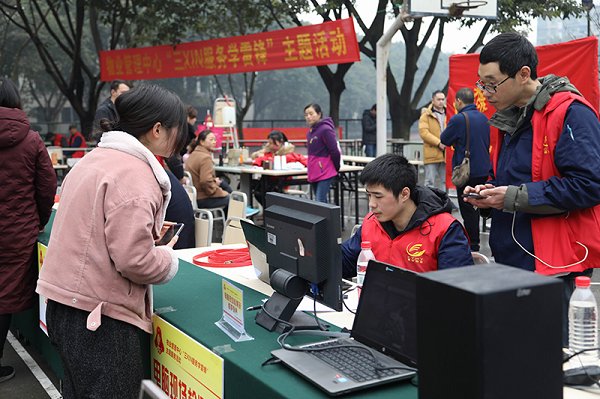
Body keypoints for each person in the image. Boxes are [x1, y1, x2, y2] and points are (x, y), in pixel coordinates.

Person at [36, 84, 187, 398]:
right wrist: (167, 259)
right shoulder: (135, 175)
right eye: (176, 129)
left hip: (64, 307)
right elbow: (135, 261)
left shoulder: (94, 160)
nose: (179, 138)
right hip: (100, 321)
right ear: (157, 129)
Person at [463, 32, 600, 346]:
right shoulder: (513, 119)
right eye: (481, 82)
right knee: (517, 356)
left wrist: (512, 197)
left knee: (552, 362)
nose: (485, 91)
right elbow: (522, 179)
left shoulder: (570, 113)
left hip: (552, 265)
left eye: (492, 82)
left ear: (524, 74)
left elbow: (590, 185)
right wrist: (492, 194)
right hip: (513, 258)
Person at [0, 77, 57, 383]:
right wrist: (38, 220)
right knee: (4, 296)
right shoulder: (32, 139)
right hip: (16, 234)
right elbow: (47, 187)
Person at [342, 154, 473, 279]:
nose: (371, 204)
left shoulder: (446, 230)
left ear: (404, 194)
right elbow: (345, 261)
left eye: (378, 196)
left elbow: (457, 291)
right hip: (378, 299)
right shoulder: (371, 222)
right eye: (369, 195)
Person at [440, 88, 491, 252]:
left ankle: (473, 245)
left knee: (468, 208)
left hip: (467, 171)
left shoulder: (459, 119)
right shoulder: (484, 118)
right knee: (481, 203)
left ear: (459, 101)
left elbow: (445, 139)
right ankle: (481, 236)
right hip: (484, 169)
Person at [251, 130, 307, 206]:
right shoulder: (269, 152)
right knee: (257, 189)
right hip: (270, 181)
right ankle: (269, 211)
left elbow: (303, 161)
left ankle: (270, 211)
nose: (269, 145)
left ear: (279, 142)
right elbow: (257, 162)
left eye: (271, 143)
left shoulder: (288, 154)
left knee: (261, 191)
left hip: (281, 182)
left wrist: (262, 158)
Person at [185, 129, 232, 212]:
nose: (214, 142)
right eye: (211, 140)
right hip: (203, 198)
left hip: (193, 197)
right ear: (202, 142)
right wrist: (217, 191)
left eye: (214, 139)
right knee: (233, 199)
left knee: (224, 186)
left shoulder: (193, 154)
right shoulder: (205, 157)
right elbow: (205, 181)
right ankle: (230, 223)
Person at [304, 103, 341, 203]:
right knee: (321, 201)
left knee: (319, 200)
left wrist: (336, 167)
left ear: (319, 114)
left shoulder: (325, 129)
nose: (308, 117)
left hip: (325, 170)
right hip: (314, 170)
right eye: (306, 115)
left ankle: (328, 218)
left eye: (311, 114)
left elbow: (334, 150)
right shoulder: (310, 132)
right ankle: (328, 218)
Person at [419, 90, 447, 191]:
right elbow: (424, 133)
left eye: (443, 99)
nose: (441, 102)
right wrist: (438, 143)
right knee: (430, 182)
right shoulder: (426, 115)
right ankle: (429, 204)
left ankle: (445, 203)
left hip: (446, 154)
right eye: (438, 99)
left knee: (446, 182)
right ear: (433, 100)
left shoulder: (449, 113)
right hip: (431, 153)